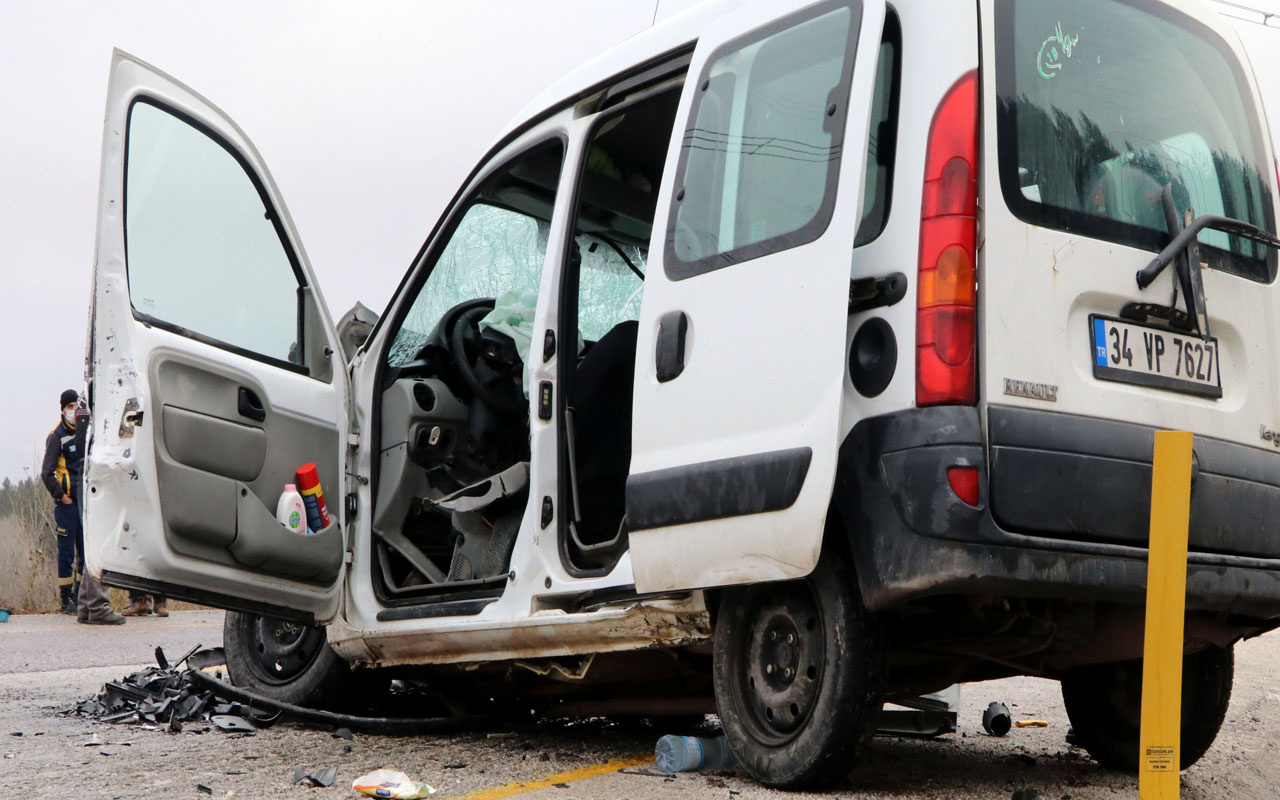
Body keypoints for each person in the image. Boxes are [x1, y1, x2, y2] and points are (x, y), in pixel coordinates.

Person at [40, 389, 124, 625]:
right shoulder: (56, 437)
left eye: (76, 406)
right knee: (66, 553)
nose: (73, 410)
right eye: (70, 406)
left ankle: (80, 596)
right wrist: (61, 496)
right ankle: (66, 599)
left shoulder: (84, 433)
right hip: (67, 504)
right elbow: (46, 473)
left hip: (85, 502)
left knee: (85, 553)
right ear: (63, 409)